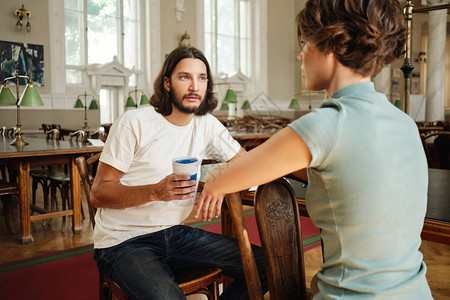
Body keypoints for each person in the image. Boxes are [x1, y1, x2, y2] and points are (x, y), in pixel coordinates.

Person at [197, 0, 433, 299]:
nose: (300, 54)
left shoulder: (322, 125)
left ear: (330, 46)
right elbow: (351, 171)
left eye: (306, 43)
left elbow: (221, 179)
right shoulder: (404, 123)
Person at [90, 46, 267, 300]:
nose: (195, 86)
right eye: (185, 77)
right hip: (124, 242)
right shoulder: (134, 122)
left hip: (175, 234)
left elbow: (248, 163)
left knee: (265, 265)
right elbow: (99, 193)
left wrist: (221, 181)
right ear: (167, 83)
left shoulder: (206, 124)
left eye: (202, 78)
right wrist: (155, 191)